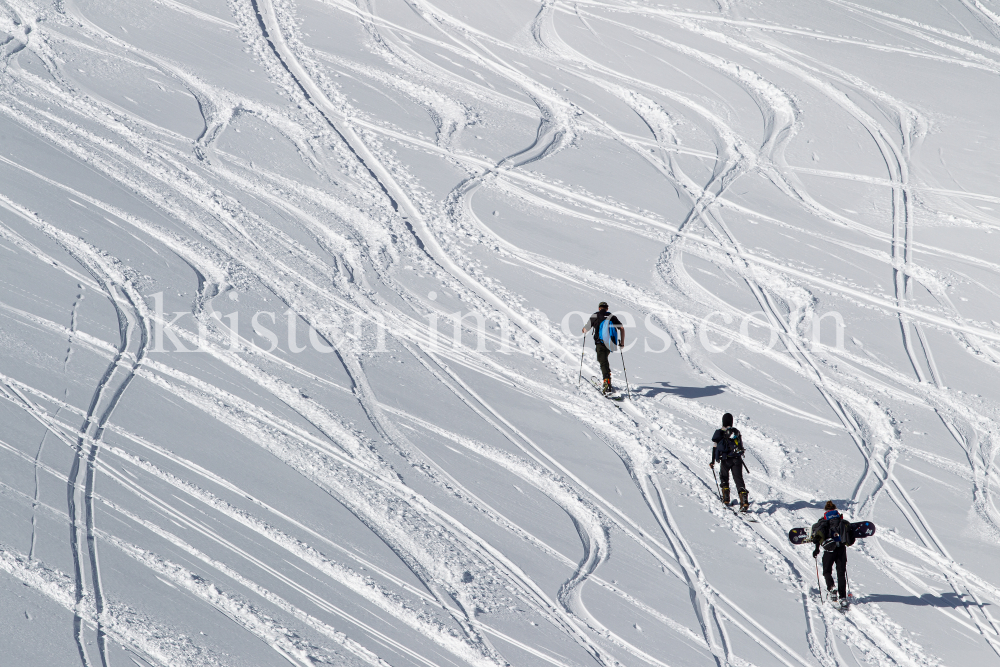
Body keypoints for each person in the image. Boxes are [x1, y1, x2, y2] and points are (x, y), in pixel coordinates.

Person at [811, 501, 853, 609]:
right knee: (841, 573)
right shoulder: (841, 520)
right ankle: (843, 597)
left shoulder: (823, 521)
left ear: (826, 510)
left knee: (827, 571)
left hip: (829, 550)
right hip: (841, 549)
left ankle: (831, 589)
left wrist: (816, 550)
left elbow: (817, 536)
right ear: (835, 509)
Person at [582, 301, 624, 394]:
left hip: (600, 343)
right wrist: (622, 343)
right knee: (604, 360)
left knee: (602, 360)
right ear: (607, 308)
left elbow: (585, 329)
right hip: (610, 344)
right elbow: (621, 328)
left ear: (599, 308)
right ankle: (607, 377)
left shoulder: (595, 315)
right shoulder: (611, 316)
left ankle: (607, 381)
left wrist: (584, 330)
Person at [710, 413, 749, 511]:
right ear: (731, 421)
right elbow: (740, 445)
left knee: (724, 477)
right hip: (737, 459)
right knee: (738, 479)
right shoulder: (736, 432)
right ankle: (744, 501)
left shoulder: (719, 432)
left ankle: (726, 498)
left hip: (725, 459)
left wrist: (713, 461)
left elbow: (715, 446)